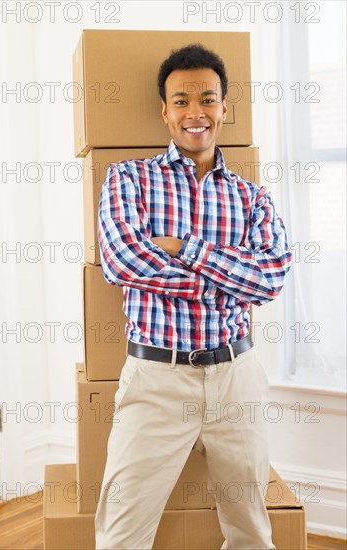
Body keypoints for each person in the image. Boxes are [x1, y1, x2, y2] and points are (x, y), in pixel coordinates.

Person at [95, 43, 293, 550]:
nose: (195, 112)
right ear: (165, 111)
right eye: (181, 101)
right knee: (122, 532)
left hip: (237, 378)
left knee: (251, 529)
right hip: (156, 379)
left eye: (207, 98)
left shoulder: (253, 197)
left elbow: (270, 278)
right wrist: (227, 280)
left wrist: (186, 248)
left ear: (224, 107)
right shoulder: (128, 179)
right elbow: (124, 264)